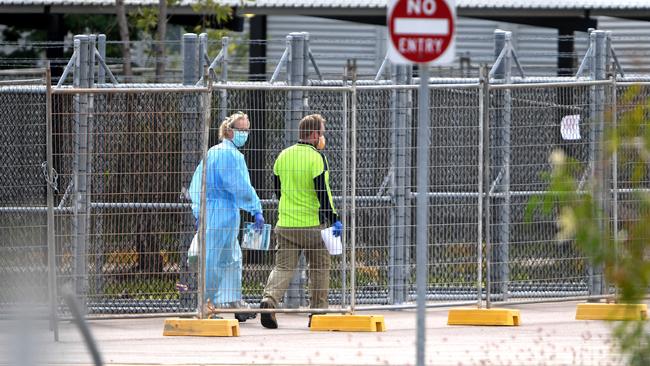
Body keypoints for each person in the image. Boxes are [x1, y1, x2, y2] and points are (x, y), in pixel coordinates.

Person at [260, 113, 342, 329]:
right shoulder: (317, 158)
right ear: (314, 134)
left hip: (286, 224)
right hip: (313, 226)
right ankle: (318, 313)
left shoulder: (283, 156)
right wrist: (334, 219)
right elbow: (323, 192)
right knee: (319, 268)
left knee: (283, 267)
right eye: (321, 133)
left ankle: (269, 301)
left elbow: (277, 190)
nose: (322, 137)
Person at [188, 111, 265, 322]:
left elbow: (197, 185)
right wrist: (255, 207)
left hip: (215, 211)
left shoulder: (213, 152)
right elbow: (239, 185)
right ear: (230, 131)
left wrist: (198, 210)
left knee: (230, 257)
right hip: (222, 213)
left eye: (247, 129)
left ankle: (232, 299)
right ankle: (207, 305)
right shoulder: (231, 155)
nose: (245, 133)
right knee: (215, 259)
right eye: (241, 129)